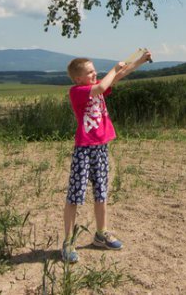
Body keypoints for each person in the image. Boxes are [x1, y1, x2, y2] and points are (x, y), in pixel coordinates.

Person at [61, 49, 152, 263]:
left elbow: (118, 76)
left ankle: (101, 234)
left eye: (95, 71)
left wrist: (139, 61)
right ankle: (67, 242)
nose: (95, 74)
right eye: (90, 72)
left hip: (101, 147)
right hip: (84, 149)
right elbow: (104, 84)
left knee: (101, 192)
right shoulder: (78, 91)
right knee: (75, 195)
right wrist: (113, 68)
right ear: (78, 78)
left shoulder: (95, 87)